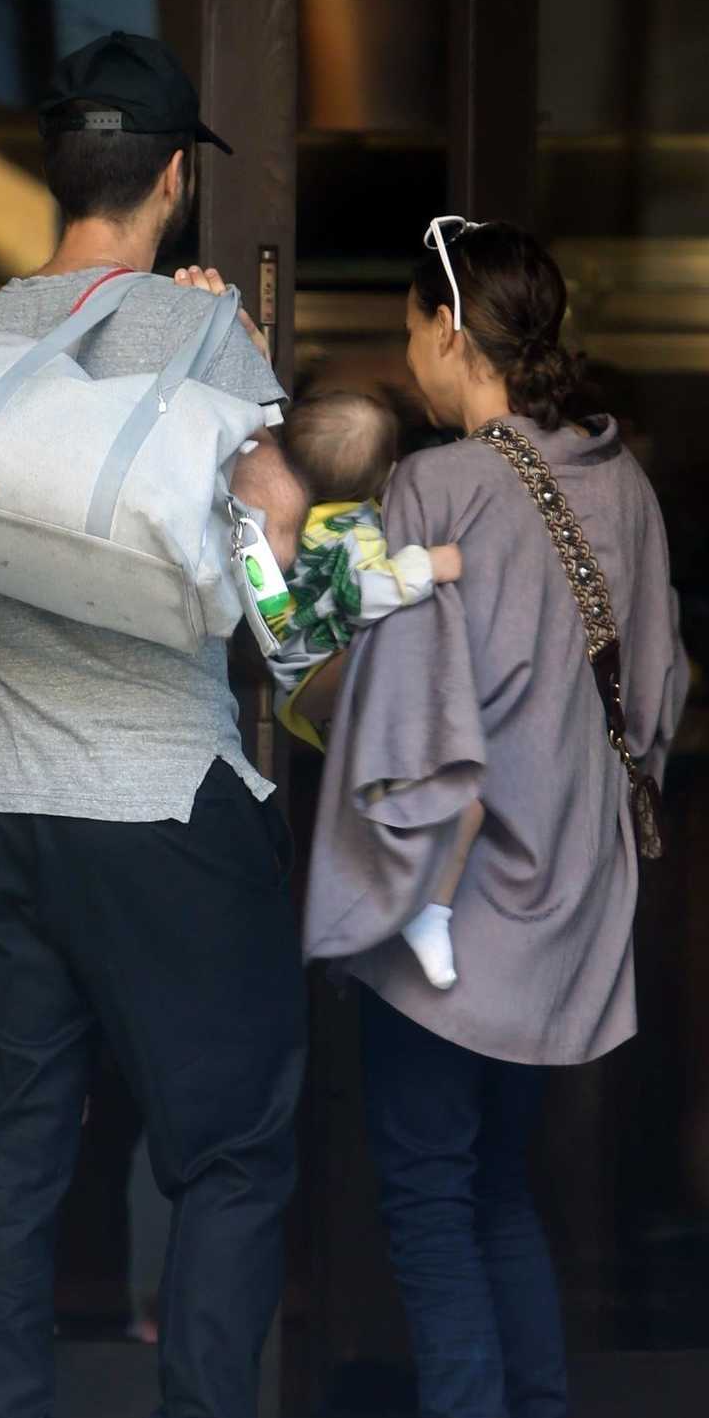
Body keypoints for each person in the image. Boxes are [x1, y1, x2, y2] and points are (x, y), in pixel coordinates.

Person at [0, 31, 357, 1418]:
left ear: (52, 173)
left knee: (15, 1144)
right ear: (169, 176)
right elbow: (285, 545)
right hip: (160, 802)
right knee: (229, 1142)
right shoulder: (199, 335)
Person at [306, 217, 689, 1418]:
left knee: (419, 1179)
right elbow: (660, 691)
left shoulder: (439, 484)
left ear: (449, 332)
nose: (408, 355)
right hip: (569, 889)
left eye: (413, 328)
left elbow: (392, 701)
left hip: (453, 887)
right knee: (494, 1182)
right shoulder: (622, 483)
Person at [271, 391, 481, 988]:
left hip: (300, 681)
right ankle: (422, 911)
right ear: (389, 472)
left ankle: (391, 913)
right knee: (457, 808)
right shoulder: (349, 533)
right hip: (326, 682)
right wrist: (427, 566)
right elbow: (361, 594)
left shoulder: (296, 523)